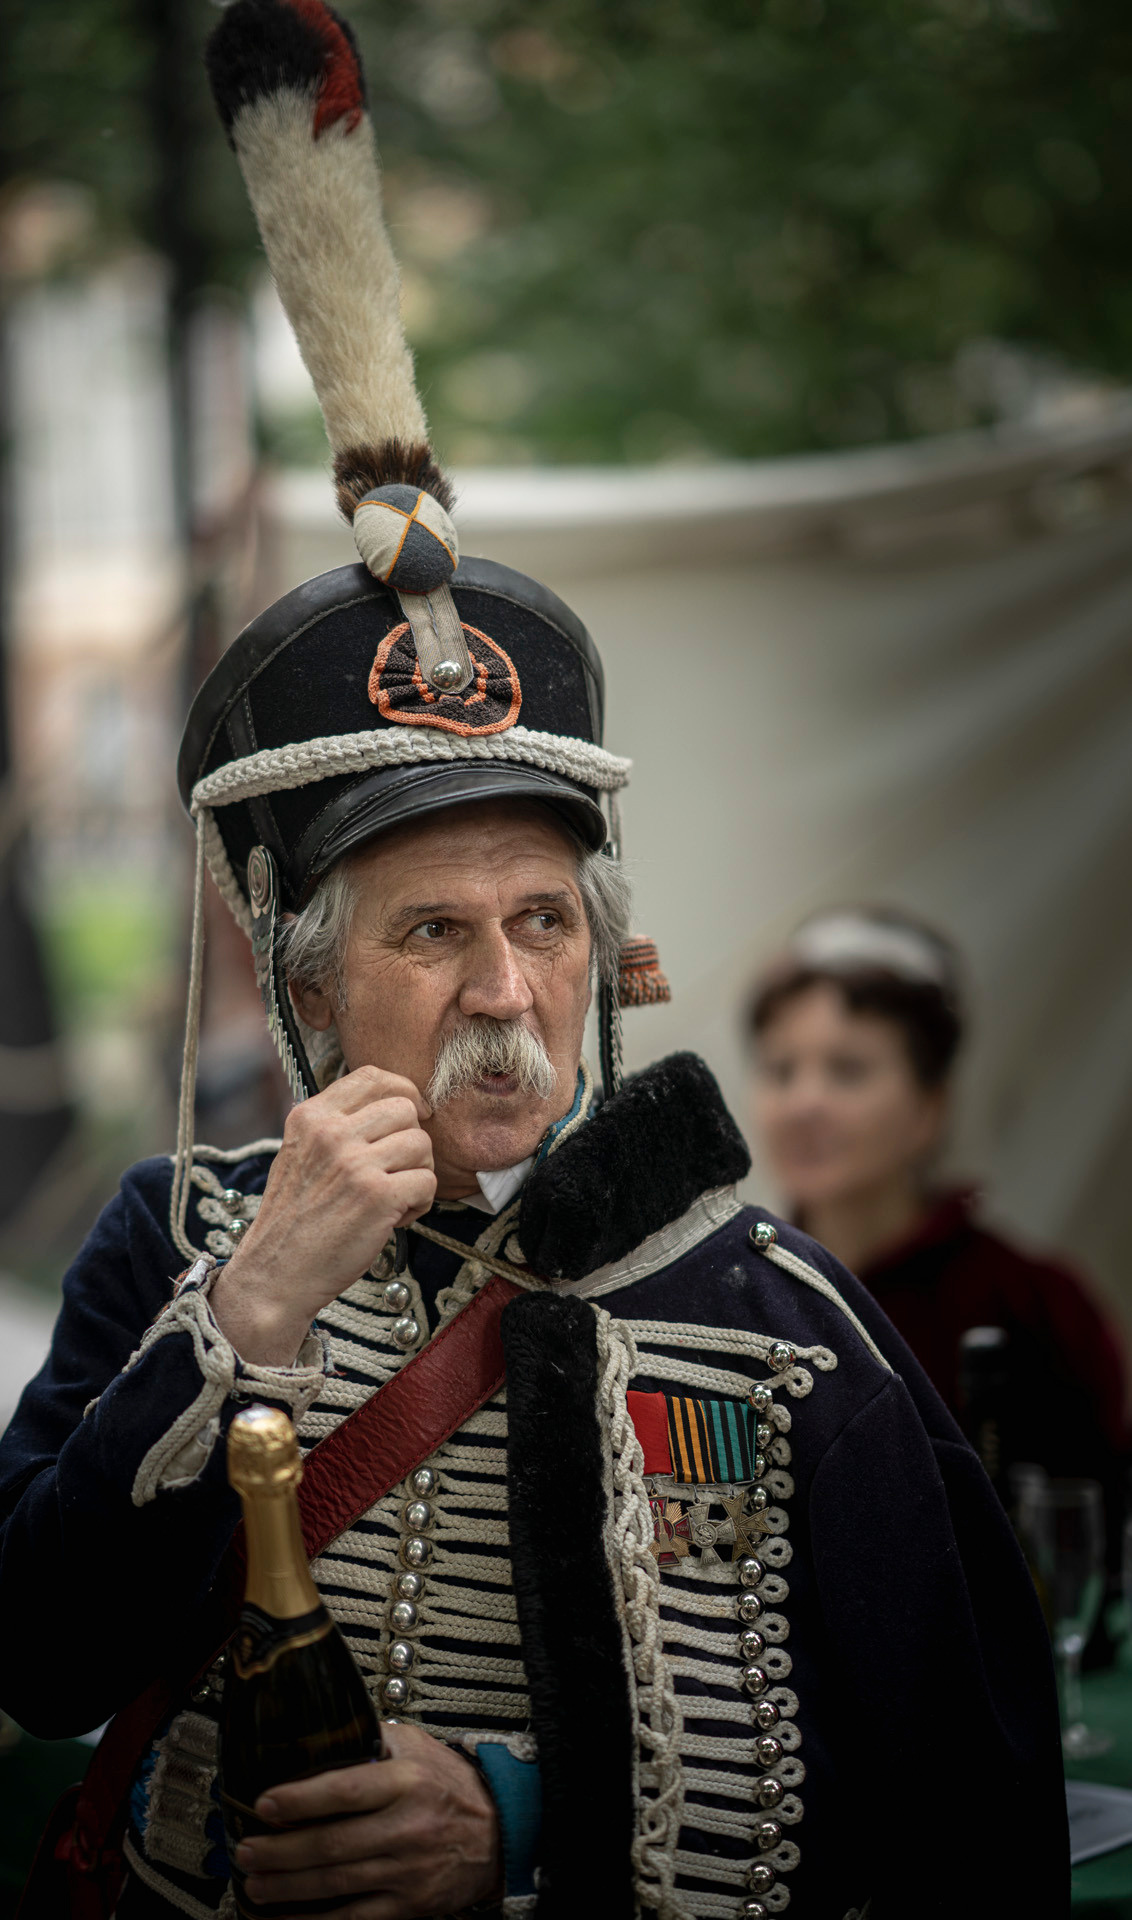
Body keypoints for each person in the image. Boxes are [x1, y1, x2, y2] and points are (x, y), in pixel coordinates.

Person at [0, 6, 1068, 1918]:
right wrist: (244, 1321)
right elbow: (32, 1658)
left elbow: (959, 1784)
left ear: (609, 953)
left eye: (544, 922)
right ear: (304, 980)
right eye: (430, 931)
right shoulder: (172, 1243)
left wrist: (525, 1812)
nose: (504, 989)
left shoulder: (778, 1312)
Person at [747, 905, 1128, 1528]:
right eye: (780, 1070)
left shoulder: (1036, 1307)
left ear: (931, 1105)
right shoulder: (738, 1293)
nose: (803, 1103)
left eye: (848, 1069)